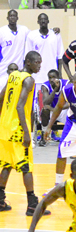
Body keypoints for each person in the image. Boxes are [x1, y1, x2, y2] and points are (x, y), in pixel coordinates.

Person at [0, 51, 49, 216]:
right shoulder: (28, 80)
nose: (39, 66)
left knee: (7, 163)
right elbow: (20, 106)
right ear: (28, 62)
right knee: (26, 166)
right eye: (36, 62)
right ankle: (32, 205)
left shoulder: (13, 75)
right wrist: (27, 133)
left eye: (40, 62)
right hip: (18, 128)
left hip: (5, 126)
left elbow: (1, 96)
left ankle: (0, 200)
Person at [24, 13, 64, 85]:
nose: (43, 21)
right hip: (37, 77)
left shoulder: (55, 34)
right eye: (41, 19)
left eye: (45, 19)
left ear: (48, 21)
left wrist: (60, 73)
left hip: (52, 76)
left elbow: (60, 57)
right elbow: (27, 57)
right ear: (38, 22)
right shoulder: (31, 35)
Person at [39, 69, 69, 146]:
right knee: (45, 110)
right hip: (52, 111)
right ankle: (44, 136)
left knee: (74, 109)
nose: (52, 79)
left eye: (54, 77)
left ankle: (73, 137)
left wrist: (58, 109)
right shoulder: (45, 86)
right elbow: (46, 103)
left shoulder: (66, 84)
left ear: (59, 77)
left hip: (64, 110)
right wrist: (55, 89)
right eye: (50, 77)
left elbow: (70, 103)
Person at [0, 11, 29, 88]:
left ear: (17, 18)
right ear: (7, 18)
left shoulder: (24, 30)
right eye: (10, 16)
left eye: (14, 16)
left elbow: (35, 36)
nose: (12, 17)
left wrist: (52, 30)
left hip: (18, 69)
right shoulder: (2, 31)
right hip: (3, 69)